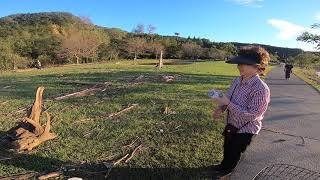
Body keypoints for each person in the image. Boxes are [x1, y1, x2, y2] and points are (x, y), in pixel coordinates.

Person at [211, 46, 271, 175]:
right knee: (227, 147)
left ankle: (227, 172)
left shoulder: (261, 89)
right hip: (231, 123)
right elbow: (228, 98)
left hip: (246, 128)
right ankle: (223, 166)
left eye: (244, 64)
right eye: (239, 63)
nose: (239, 66)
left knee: (235, 151)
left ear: (258, 67)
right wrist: (221, 108)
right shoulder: (237, 80)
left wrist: (228, 103)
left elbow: (253, 115)